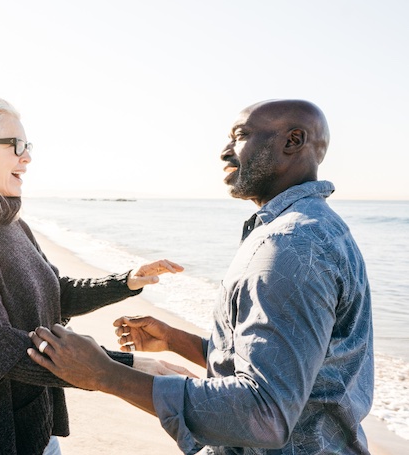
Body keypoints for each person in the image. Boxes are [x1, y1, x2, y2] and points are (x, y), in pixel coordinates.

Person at [28, 99, 374, 454]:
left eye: (240, 136)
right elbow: (291, 364)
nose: (225, 152)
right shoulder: (319, 228)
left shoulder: (288, 245)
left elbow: (264, 414)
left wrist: (106, 375)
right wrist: (177, 341)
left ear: (292, 141)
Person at [0, 96, 185, 455]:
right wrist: (126, 365)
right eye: (16, 146)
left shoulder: (12, 223)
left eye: (28, 146)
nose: (27, 157)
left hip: (31, 426)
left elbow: (54, 294)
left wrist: (127, 280)